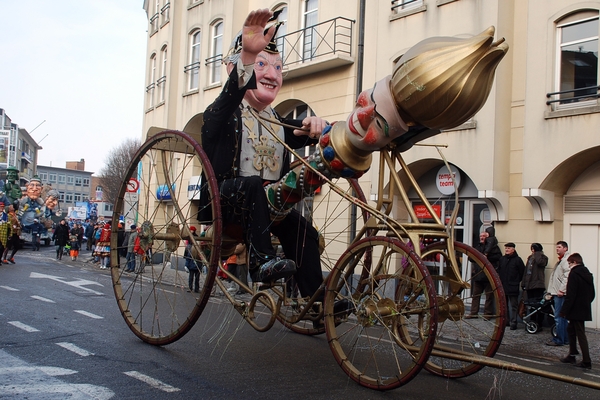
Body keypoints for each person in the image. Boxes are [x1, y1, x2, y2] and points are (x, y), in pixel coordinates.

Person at [200, 9, 326, 299]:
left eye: (278, 68)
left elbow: (303, 129)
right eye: (261, 64)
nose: (272, 74)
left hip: (269, 206)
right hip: (228, 202)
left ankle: (317, 300)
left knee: (304, 230)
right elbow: (231, 94)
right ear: (236, 69)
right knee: (254, 185)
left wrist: (320, 126)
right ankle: (261, 262)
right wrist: (247, 54)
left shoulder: (276, 120)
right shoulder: (220, 114)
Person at [559, 253, 595, 369]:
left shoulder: (574, 274)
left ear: (574, 262)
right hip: (583, 308)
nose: (569, 266)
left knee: (580, 333)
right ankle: (572, 354)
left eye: (569, 263)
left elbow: (571, 294)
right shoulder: (587, 274)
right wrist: (585, 303)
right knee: (571, 330)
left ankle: (586, 360)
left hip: (575, 308)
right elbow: (592, 294)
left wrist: (564, 310)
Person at [465, 231, 496, 319]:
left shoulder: (493, 248)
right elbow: (471, 258)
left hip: (488, 276)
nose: (482, 238)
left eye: (483, 236)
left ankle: (487, 314)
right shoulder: (478, 247)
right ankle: (473, 312)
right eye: (480, 236)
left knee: (489, 296)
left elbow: (497, 258)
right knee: (475, 296)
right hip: (478, 276)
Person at [546, 241, 570, 346]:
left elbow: (567, 277)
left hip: (560, 294)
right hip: (557, 292)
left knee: (559, 317)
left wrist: (561, 290)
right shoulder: (561, 261)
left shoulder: (565, 261)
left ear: (565, 248)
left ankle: (560, 339)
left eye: (559, 247)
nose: (557, 249)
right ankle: (565, 339)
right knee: (562, 317)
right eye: (557, 247)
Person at [497, 242, 525, 330]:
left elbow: (522, 272)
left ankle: (514, 322)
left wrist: (516, 281)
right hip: (503, 285)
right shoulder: (502, 259)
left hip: (513, 286)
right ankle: (506, 321)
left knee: (514, 305)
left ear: (513, 249)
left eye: (508, 248)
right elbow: (499, 270)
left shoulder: (518, 260)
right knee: (504, 305)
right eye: (506, 248)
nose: (507, 250)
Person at [521, 243, 548, 329]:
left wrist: (537, 253)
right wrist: (523, 283)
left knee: (539, 306)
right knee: (531, 306)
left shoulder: (543, 257)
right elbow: (526, 271)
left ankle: (539, 322)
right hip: (529, 285)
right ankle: (532, 322)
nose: (532, 251)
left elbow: (541, 263)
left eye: (534, 249)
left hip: (538, 285)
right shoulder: (530, 258)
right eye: (532, 249)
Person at [184, 226, 201, 293]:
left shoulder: (197, 250)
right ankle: (191, 288)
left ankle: (196, 289)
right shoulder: (191, 249)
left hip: (196, 266)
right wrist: (186, 265)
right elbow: (188, 258)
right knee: (192, 278)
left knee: (196, 278)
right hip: (192, 266)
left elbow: (201, 258)